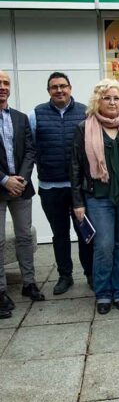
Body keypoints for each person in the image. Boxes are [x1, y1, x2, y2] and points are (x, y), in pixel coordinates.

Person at [70, 79, 119, 315]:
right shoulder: (84, 127)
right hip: (98, 198)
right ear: (97, 101)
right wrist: (77, 202)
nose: (112, 102)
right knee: (103, 246)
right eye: (107, 97)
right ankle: (102, 293)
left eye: (116, 98)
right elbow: (75, 168)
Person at [29, 72, 93, 295]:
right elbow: (31, 148)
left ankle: (90, 273)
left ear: (70, 88)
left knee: (85, 233)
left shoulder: (85, 112)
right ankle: (65, 276)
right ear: (49, 91)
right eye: (54, 87)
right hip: (51, 187)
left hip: (79, 189)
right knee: (60, 234)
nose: (59, 90)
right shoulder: (36, 114)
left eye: (63, 86)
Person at [0, 71, 44, 319]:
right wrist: (5, 179)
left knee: (24, 236)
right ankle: (1, 290)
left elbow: (30, 150)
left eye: (6, 83)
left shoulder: (19, 117)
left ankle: (29, 282)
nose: (3, 87)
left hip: (21, 186)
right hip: (1, 185)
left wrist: (22, 178)